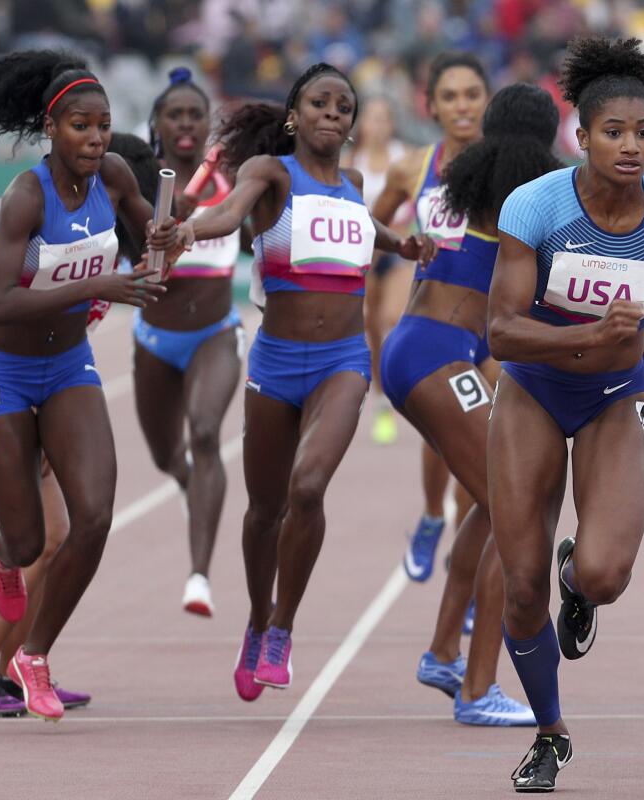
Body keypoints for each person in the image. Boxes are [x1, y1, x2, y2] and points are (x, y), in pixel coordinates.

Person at [487, 37, 644, 791]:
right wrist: (590, 334)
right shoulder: (537, 206)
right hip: (532, 389)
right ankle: (551, 734)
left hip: (617, 398)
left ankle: (579, 580)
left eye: (643, 133)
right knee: (521, 587)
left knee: (607, 573)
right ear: (581, 136)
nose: (631, 147)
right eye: (614, 133)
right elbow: (498, 331)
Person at [158, 62, 434, 699]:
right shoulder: (271, 175)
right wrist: (186, 229)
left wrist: (405, 246)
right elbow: (227, 216)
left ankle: (282, 627)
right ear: (294, 115)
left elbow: (368, 228)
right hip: (276, 362)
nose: (333, 115)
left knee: (308, 488)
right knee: (264, 511)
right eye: (320, 104)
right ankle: (256, 620)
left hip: (343, 361)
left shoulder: (356, 182)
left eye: (343, 107)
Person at [0, 51, 167, 721]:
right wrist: (98, 286)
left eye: (102, 125)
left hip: (67, 370)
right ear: (52, 128)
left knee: (94, 516)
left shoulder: (116, 176)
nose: (95, 138)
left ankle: (32, 656)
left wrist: (165, 235)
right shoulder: (25, 198)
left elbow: (150, 231)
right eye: (80, 126)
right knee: (28, 539)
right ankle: (1, 561)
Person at [381, 83, 562, 726]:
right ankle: (477, 687)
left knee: (491, 505)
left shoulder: (466, 180)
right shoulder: (521, 195)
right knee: (516, 509)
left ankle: (442, 652)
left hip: (416, 346)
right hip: (439, 356)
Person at [370, 52, 490, 583]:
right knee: (441, 439)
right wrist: (399, 249)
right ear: (432, 106)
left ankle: (463, 578)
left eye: (471, 94)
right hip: (438, 328)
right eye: (450, 96)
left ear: (486, 101)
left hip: (493, 334)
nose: (462, 106)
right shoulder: (413, 167)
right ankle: (428, 516)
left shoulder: (507, 165)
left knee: (482, 466)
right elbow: (369, 223)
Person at [134, 67, 245, 617]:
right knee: (165, 455)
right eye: (173, 114)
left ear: (208, 124)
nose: (184, 123)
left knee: (205, 433)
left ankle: (199, 576)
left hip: (215, 333)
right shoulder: (141, 181)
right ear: (156, 123)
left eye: (194, 114)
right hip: (154, 337)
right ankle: (185, 483)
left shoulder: (230, 182)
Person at [343, 93, 410, 445]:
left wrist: (398, 239)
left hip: (398, 249)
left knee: (390, 319)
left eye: (385, 119)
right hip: (363, 253)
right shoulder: (353, 161)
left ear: (392, 124)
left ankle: (403, 389)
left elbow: (415, 209)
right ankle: (382, 401)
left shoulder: (404, 158)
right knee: (369, 323)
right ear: (362, 125)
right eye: (372, 119)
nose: (379, 126)